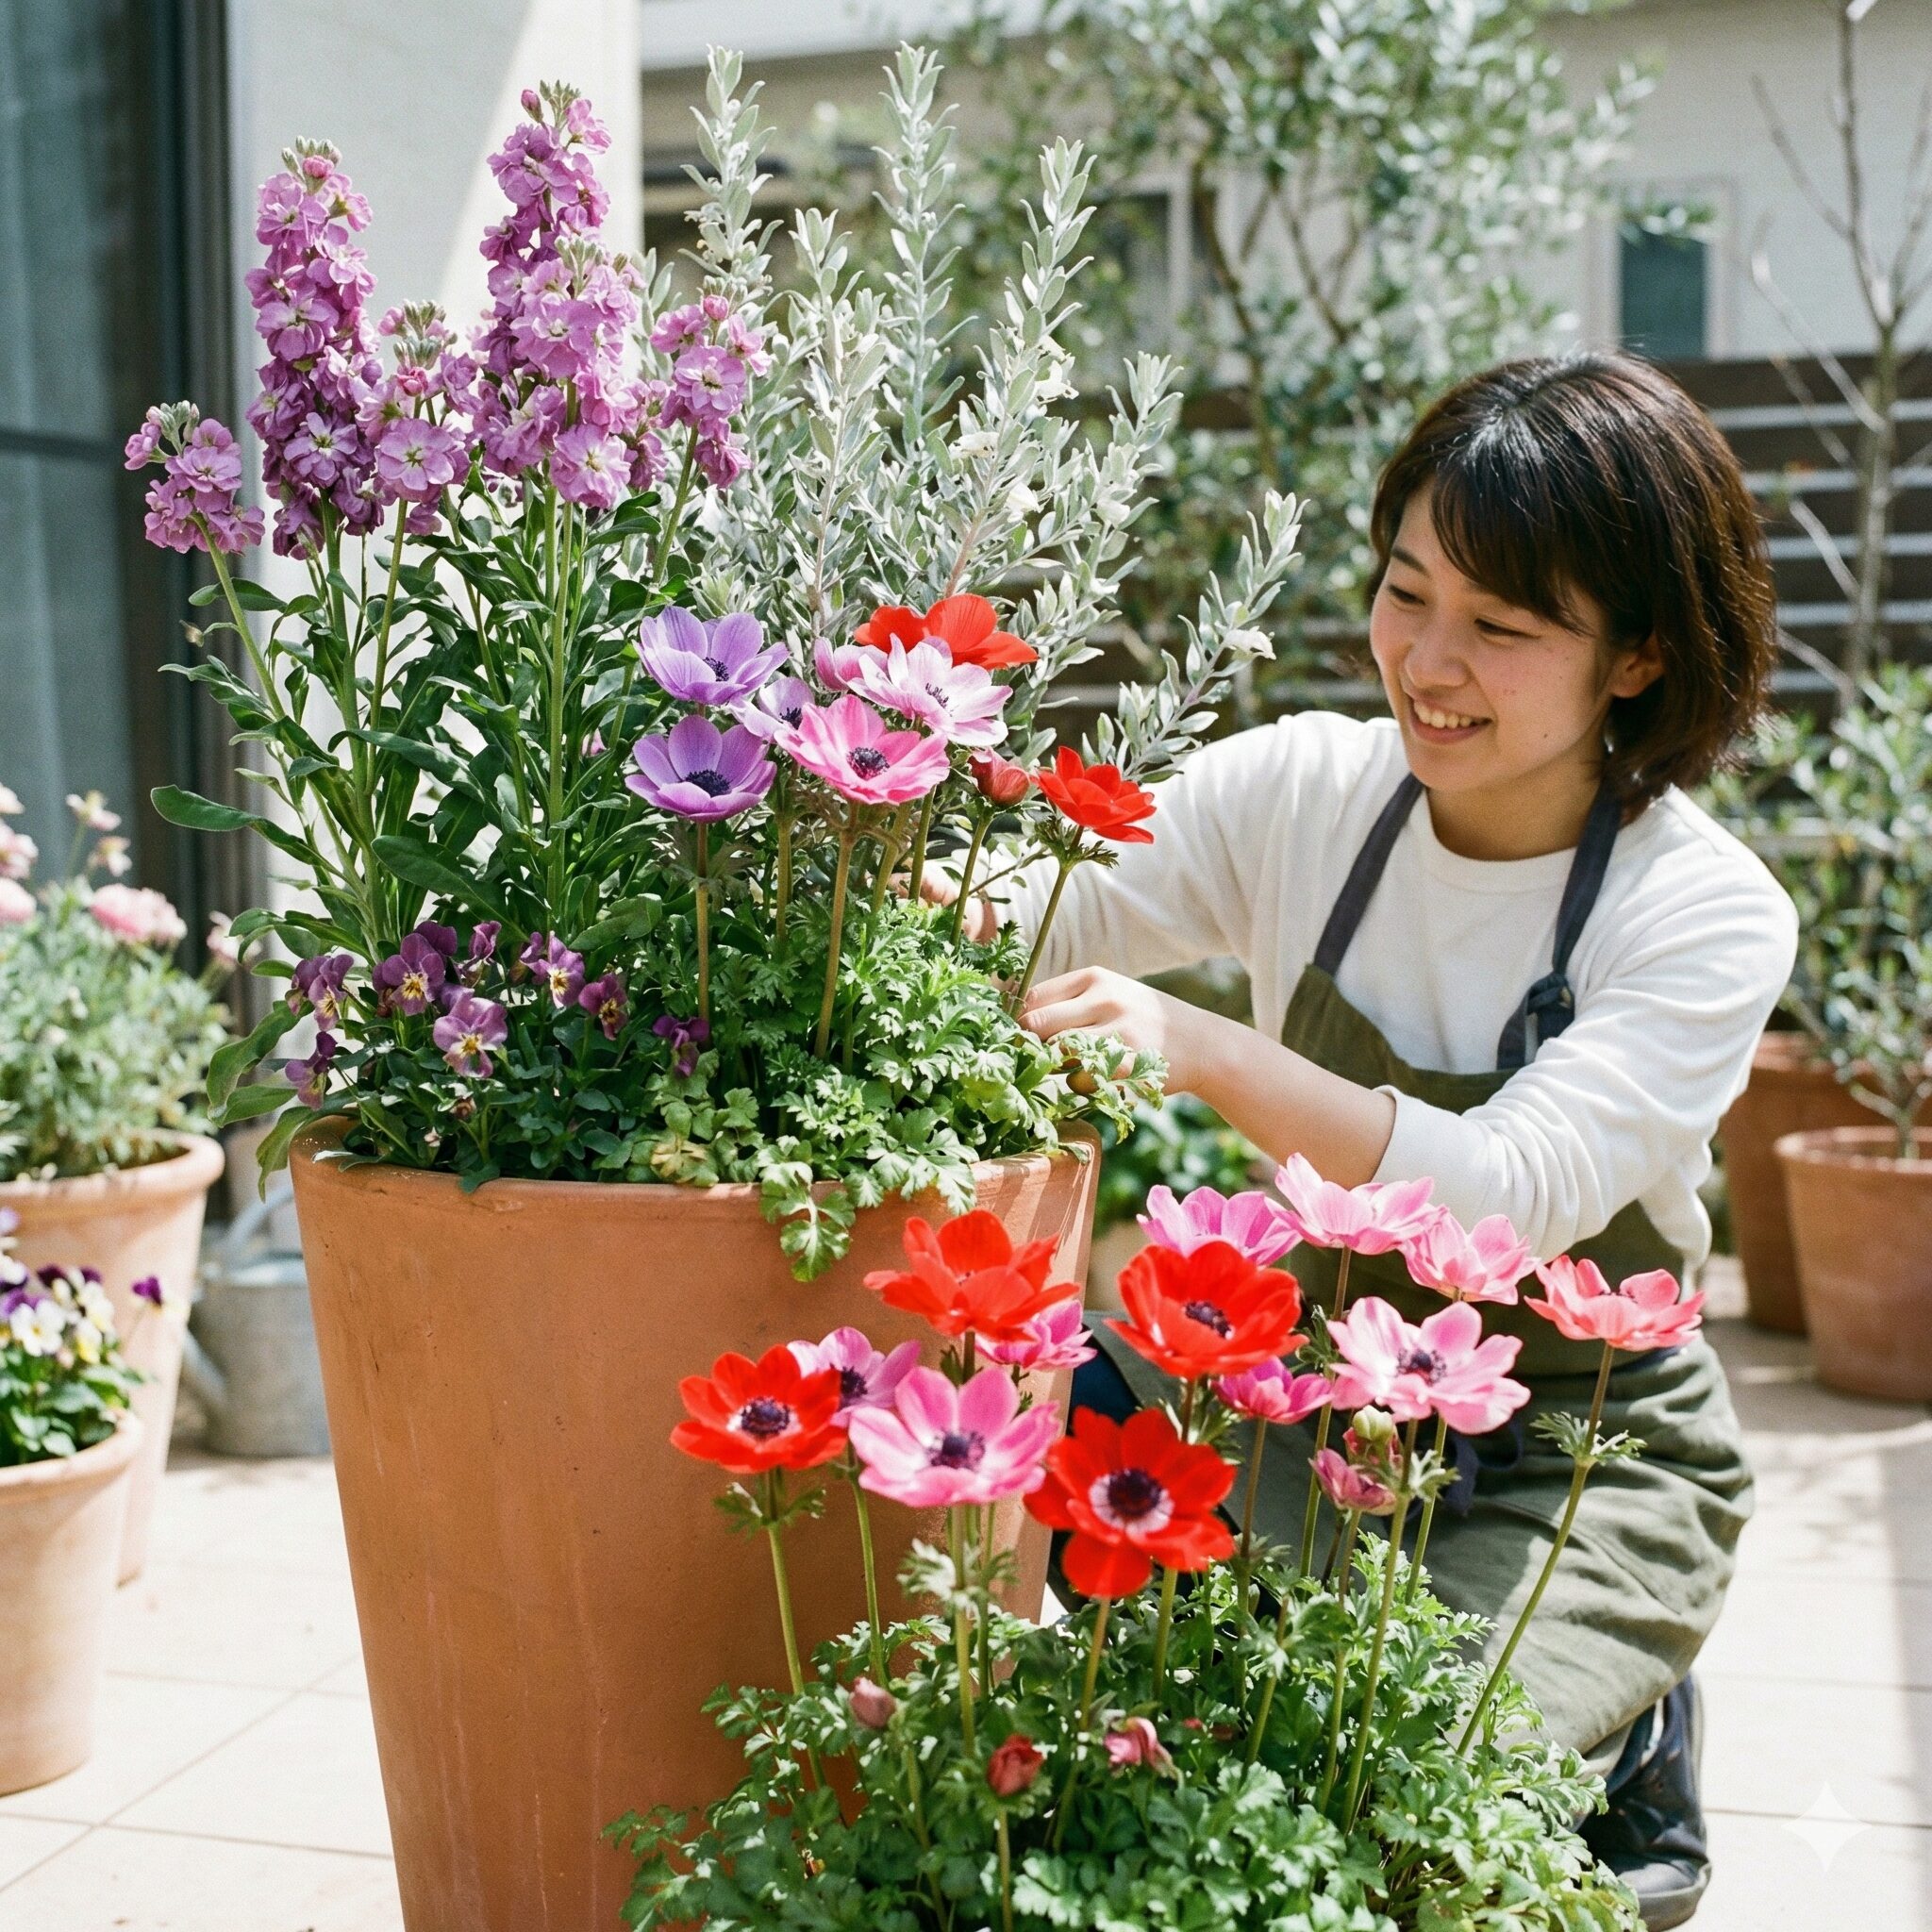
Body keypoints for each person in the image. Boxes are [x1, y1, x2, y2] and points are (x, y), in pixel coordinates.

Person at [963, 355, 1797, 1931]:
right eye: (1407, 592)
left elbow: (1499, 1198)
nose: (1427, 659)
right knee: (1159, 1717)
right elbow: (1026, 924)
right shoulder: (1305, 795)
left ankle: (1625, 1734)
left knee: (1396, 1790)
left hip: (1571, 1453)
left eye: (1502, 625)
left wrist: (1204, 1043)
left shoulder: (1703, 910)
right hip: (1301, 1392)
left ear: (1640, 659)